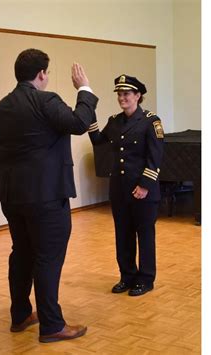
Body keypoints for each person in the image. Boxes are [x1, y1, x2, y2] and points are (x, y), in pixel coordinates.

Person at [0, 48, 99, 343]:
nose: (47, 77)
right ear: (41, 75)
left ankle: (21, 315)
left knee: (22, 253)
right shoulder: (46, 100)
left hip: (12, 196)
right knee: (48, 258)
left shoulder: (2, 106)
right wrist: (84, 89)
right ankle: (52, 325)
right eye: (47, 73)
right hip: (46, 197)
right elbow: (79, 123)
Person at [87, 74, 164, 296]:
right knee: (123, 234)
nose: (122, 98)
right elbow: (99, 142)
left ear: (138, 96)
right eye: (120, 94)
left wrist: (145, 185)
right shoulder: (114, 121)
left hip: (143, 191)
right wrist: (89, 112)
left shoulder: (151, 121)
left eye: (127, 94)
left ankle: (146, 279)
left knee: (145, 235)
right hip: (120, 190)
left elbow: (155, 156)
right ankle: (127, 276)